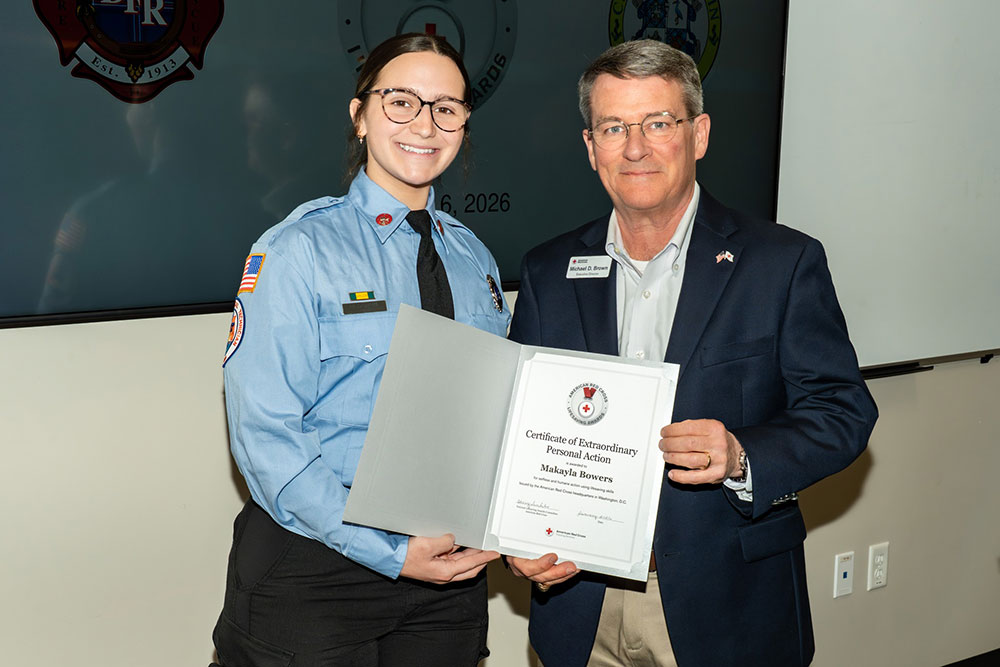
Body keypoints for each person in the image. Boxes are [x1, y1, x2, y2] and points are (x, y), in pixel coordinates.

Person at [505, 40, 878, 666]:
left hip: (726, 611)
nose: (635, 147)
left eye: (658, 123)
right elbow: (519, 431)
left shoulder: (781, 263)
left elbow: (843, 412)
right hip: (577, 606)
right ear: (590, 146)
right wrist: (517, 535)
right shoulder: (548, 271)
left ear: (698, 134)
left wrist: (740, 454)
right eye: (614, 127)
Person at [212, 33, 510, 666]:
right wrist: (389, 551)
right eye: (401, 102)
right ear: (360, 116)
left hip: (446, 573)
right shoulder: (298, 251)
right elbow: (264, 435)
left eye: (446, 108)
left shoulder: (475, 259)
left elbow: (496, 418)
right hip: (316, 564)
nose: (424, 124)